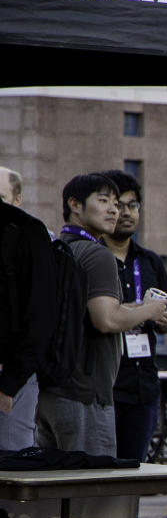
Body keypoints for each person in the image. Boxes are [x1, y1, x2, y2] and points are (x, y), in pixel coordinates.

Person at [36, 173, 167, 456]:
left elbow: (86, 312)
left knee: (54, 491)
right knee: (94, 491)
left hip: (50, 390)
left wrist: (131, 309)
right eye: (104, 200)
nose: (114, 210)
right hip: (87, 394)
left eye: (117, 204)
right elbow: (106, 320)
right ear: (75, 204)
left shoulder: (58, 248)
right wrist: (149, 310)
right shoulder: (98, 255)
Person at [99, 169, 167, 518]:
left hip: (143, 383)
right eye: (118, 204)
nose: (125, 213)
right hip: (103, 385)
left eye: (132, 205)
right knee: (100, 478)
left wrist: (161, 316)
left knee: (131, 479)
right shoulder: (92, 256)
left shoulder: (148, 262)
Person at [0, 192, 55, 451]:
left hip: (9, 376)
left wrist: (11, 384)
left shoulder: (24, 231)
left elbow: (40, 315)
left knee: (10, 474)